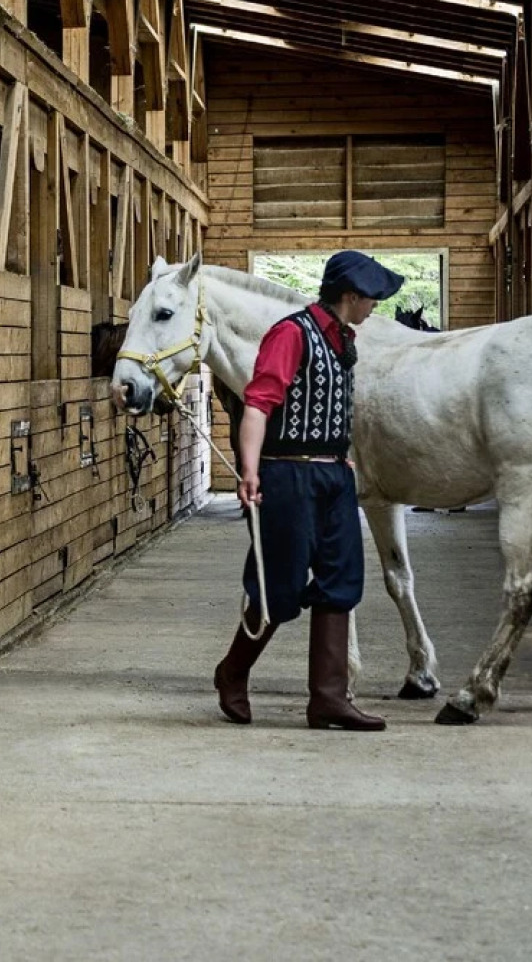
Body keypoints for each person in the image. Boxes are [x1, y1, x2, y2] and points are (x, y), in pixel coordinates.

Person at [213, 250, 404, 731]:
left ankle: (328, 699)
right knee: (279, 586)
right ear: (349, 295)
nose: (375, 306)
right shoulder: (291, 333)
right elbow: (257, 404)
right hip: (288, 475)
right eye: (371, 298)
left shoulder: (343, 340)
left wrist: (341, 457)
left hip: (335, 475)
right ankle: (232, 673)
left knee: (342, 581)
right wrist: (250, 471)